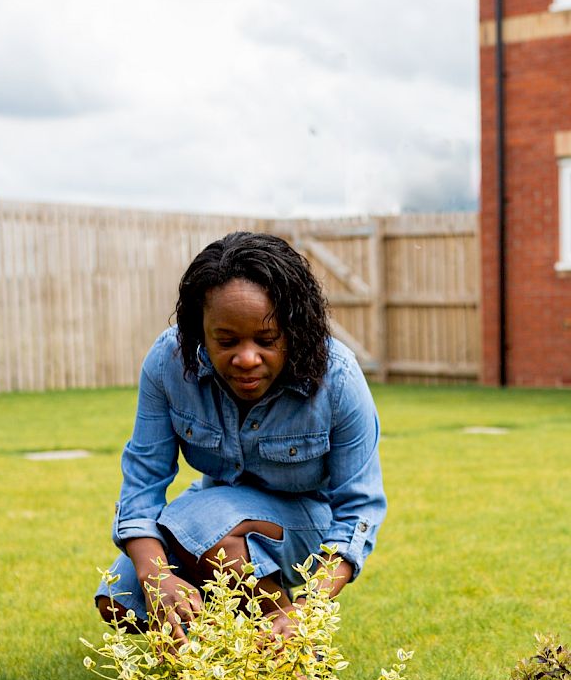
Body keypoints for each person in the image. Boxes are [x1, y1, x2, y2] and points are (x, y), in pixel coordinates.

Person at [95, 231, 386, 645]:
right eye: (226, 341)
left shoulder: (337, 379)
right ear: (199, 330)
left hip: (306, 522)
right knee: (121, 599)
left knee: (208, 530)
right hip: (213, 512)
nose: (246, 359)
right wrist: (157, 579)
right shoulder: (169, 362)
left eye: (266, 341)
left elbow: (359, 511)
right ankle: (233, 666)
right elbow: (142, 485)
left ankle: (287, 642)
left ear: (293, 329)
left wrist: (311, 606)